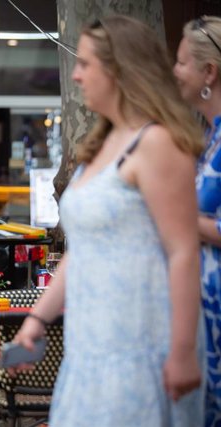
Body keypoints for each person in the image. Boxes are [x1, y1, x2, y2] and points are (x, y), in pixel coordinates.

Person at [13, 16, 205, 426]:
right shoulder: (100, 145)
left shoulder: (156, 142)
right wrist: (36, 319)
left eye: (84, 64)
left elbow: (184, 251)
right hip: (90, 345)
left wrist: (183, 350)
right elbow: (80, 253)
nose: (76, 74)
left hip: (142, 344)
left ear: (119, 69)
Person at [173, 16, 221, 426]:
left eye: (182, 62)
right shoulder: (209, 138)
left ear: (209, 72)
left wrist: (177, 216)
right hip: (203, 310)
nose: (175, 72)